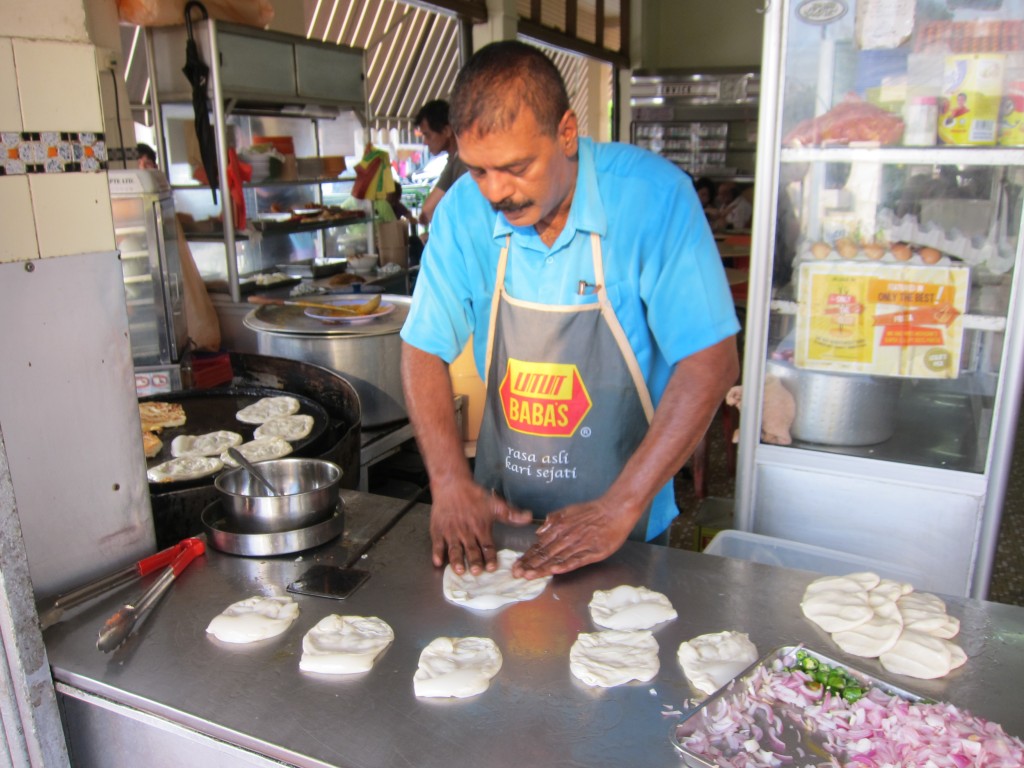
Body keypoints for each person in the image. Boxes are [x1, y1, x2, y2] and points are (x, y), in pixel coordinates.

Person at [400, 41, 739, 581]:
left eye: (516, 167)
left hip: (627, 526)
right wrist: (447, 482)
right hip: (502, 526)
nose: (496, 193)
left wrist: (620, 505)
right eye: (480, 171)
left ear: (566, 133)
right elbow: (422, 346)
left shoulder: (652, 198)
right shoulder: (464, 212)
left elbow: (711, 361)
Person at [414, 99, 468, 226]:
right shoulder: (454, 161)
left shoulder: (462, 162)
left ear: (447, 131)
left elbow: (428, 210)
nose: (425, 142)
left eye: (427, 135)